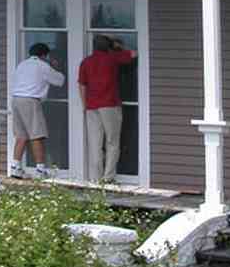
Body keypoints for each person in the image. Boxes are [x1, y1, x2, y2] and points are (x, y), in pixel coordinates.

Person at [78, 35, 137, 184]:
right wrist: (119, 46)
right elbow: (134, 54)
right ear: (109, 47)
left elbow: (82, 85)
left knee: (95, 143)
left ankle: (95, 178)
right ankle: (108, 177)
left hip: (92, 106)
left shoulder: (86, 62)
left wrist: (84, 104)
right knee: (112, 142)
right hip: (110, 105)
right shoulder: (112, 58)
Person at [10, 42, 65, 178]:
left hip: (16, 99)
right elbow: (60, 80)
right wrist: (56, 67)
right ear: (44, 55)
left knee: (21, 136)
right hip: (30, 101)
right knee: (36, 135)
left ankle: (15, 167)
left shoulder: (22, 64)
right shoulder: (43, 66)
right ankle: (40, 170)